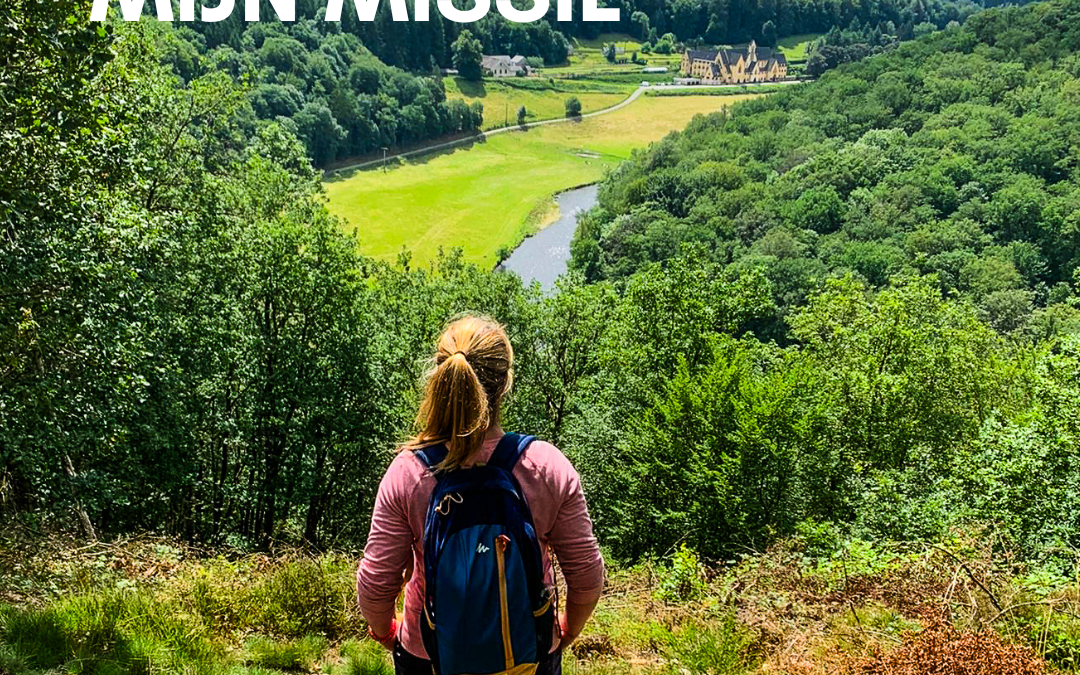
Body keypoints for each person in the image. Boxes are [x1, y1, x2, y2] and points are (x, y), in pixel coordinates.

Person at [356, 315, 605, 675]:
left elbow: (377, 578)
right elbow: (586, 573)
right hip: (529, 654)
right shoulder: (546, 466)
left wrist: (384, 629)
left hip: (429, 655)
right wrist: (567, 629)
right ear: (505, 384)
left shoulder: (408, 472)